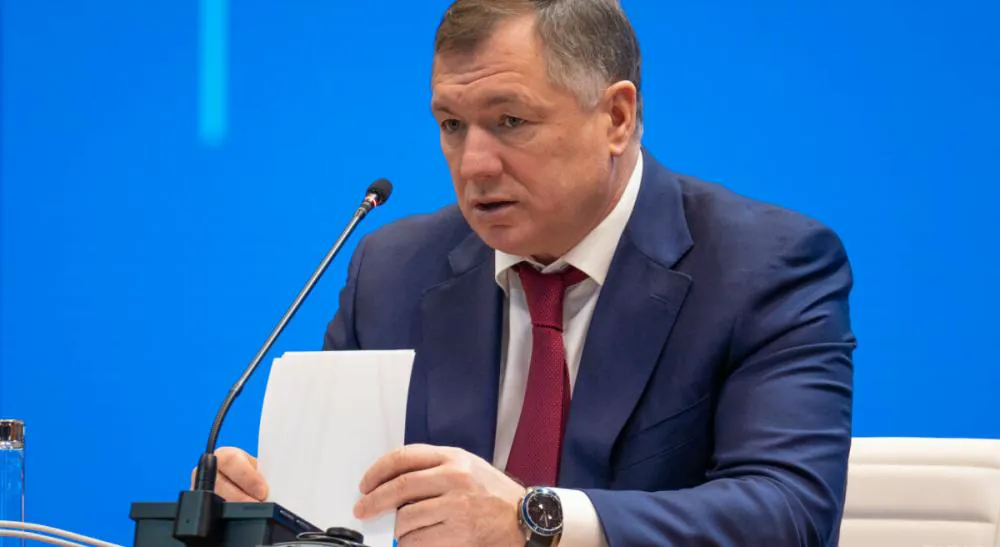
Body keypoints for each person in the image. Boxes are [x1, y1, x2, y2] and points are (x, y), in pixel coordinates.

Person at [203, 0, 856, 545]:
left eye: (510, 121)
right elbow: (339, 510)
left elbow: (789, 513)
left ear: (617, 117)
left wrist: (535, 518)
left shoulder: (762, 267)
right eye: (452, 124)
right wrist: (262, 511)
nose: (474, 164)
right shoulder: (392, 270)